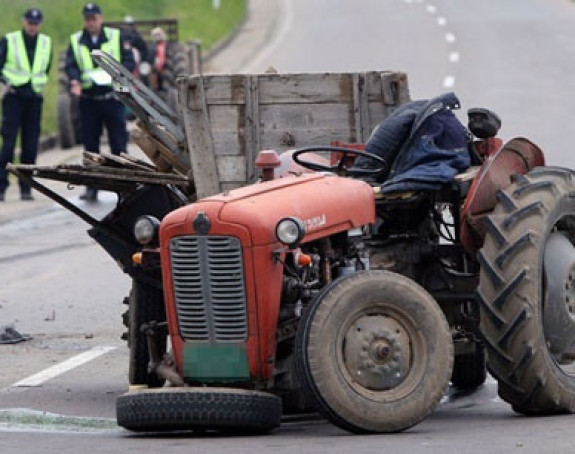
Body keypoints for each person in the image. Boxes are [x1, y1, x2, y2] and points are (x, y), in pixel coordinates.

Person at [65, 3, 135, 202]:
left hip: (111, 98)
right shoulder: (76, 41)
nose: (91, 22)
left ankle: (125, 187)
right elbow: (71, 65)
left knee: (118, 144)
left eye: (94, 18)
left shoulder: (115, 36)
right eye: (88, 19)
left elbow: (129, 60)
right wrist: (74, 79)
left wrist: (120, 75)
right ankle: (92, 187)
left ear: (101, 19)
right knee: (90, 145)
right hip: (89, 100)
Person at [0, 8, 52, 202]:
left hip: (33, 98)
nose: (32, 26)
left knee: (30, 145)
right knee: (8, 144)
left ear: (40, 24)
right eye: (30, 23)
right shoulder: (10, 40)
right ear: (24, 22)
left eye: (36, 23)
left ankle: (26, 187)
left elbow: (45, 68)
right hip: (13, 97)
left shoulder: (46, 42)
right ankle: (1, 186)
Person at [149, 27, 167, 92]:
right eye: (155, 35)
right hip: (155, 67)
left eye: (159, 35)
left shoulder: (164, 46)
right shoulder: (152, 47)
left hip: (162, 67)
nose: (157, 37)